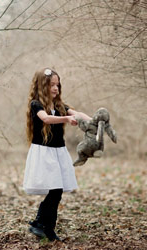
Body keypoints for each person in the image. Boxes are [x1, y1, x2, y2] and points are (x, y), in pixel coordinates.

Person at [23, 68, 91, 241]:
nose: (55, 88)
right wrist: (66, 119)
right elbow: (45, 118)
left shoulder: (60, 106)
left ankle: (45, 226)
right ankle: (41, 224)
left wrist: (95, 120)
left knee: (57, 190)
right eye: (51, 85)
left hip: (58, 152)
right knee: (55, 189)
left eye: (57, 85)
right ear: (41, 86)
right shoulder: (36, 104)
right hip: (43, 153)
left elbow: (78, 114)